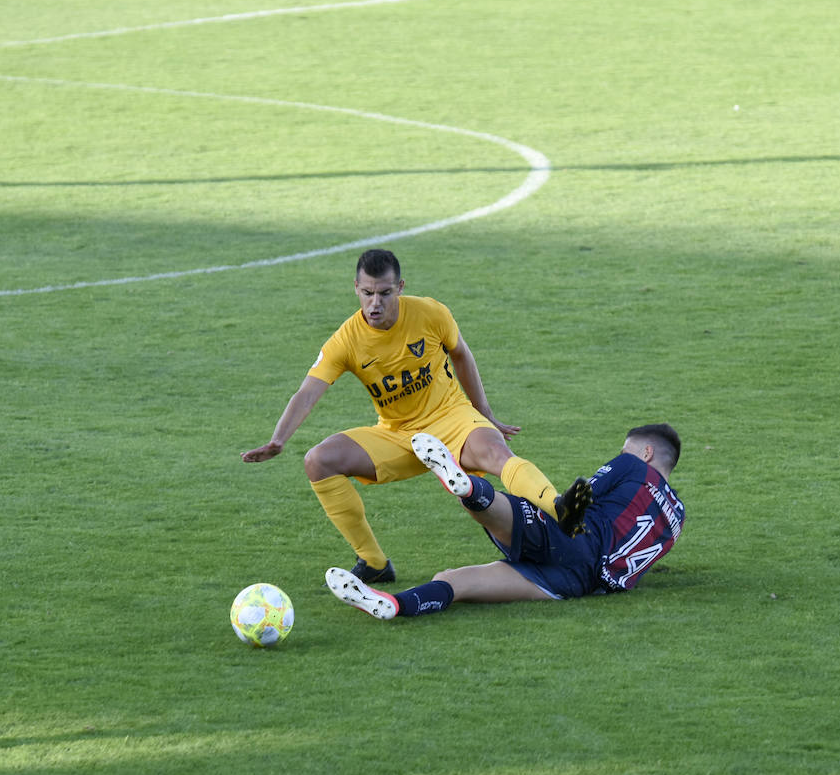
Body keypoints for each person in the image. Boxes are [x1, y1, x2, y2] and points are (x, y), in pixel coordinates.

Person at [242, 248, 589, 582]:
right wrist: (278, 439)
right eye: (367, 293)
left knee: (497, 453)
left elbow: (461, 354)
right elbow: (307, 393)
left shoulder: (430, 313)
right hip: (397, 434)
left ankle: (559, 510)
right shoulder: (346, 341)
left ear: (400, 287)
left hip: (453, 418)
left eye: (384, 293)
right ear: (356, 288)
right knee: (318, 460)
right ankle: (374, 563)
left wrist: (485, 415)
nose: (374, 303)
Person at [324, 424, 685, 619]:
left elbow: (579, 500)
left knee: (502, 511)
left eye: (626, 449)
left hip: (576, 540)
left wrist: (564, 510)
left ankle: (467, 486)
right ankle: (393, 605)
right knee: (454, 582)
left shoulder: (632, 465)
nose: (622, 454)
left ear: (646, 452)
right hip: (579, 584)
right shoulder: (677, 519)